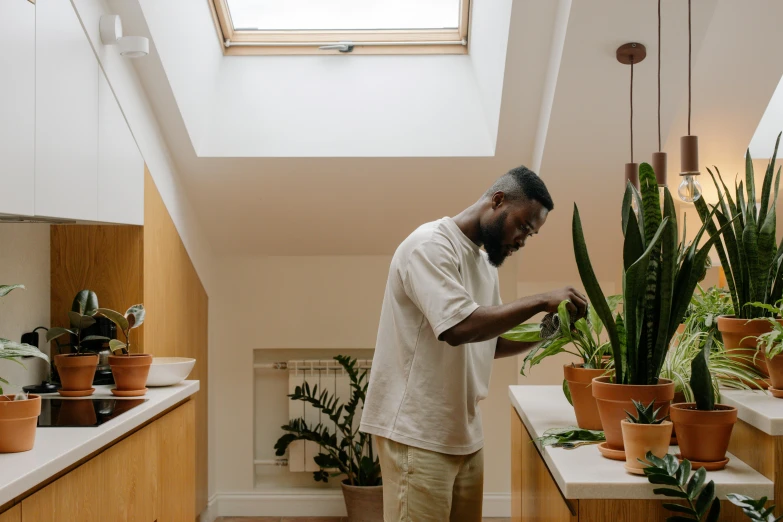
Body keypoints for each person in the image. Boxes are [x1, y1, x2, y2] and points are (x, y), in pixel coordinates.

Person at [359, 165, 587, 522]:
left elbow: (489, 341)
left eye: (531, 234)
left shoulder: (483, 263)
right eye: (523, 227)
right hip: (417, 433)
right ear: (497, 201)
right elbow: (459, 328)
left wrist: (550, 330)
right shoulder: (430, 245)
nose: (522, 240)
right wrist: (541, 299)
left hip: (462, 433)